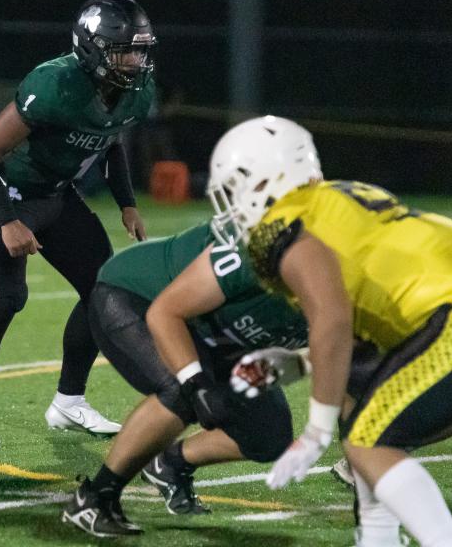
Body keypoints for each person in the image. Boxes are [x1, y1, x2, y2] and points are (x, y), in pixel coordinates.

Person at [205, 116, 452, 547]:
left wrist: (316, 431)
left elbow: (332, 320)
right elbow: (358, 344)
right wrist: (298, 364)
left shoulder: (289, 224)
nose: (233, 207)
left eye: (234, 190)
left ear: (263, 181)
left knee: (369, 439)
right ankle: (379, 536)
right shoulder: (341, 200)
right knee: (365, 410)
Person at [0, 0, 156, 448]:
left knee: (104, 289)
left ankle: (68, 402)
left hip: (57, 193)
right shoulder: (55, 83)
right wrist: (8, 220)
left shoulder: (135, 92)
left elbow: (110, 140)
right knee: (3, 301)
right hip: (8, 189)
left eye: (140, 49)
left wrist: (127, 202)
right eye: (124, 49)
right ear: (93, 48)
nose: (135, 60)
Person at [61, 221, 307, 537]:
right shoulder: (263, 250)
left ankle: (171, 464)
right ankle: (95, 498)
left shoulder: (353, 295)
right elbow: (167, 312)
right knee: (180, 389)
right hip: (140, 296)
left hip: (214, 333)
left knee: (268, 434)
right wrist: (196, 383)